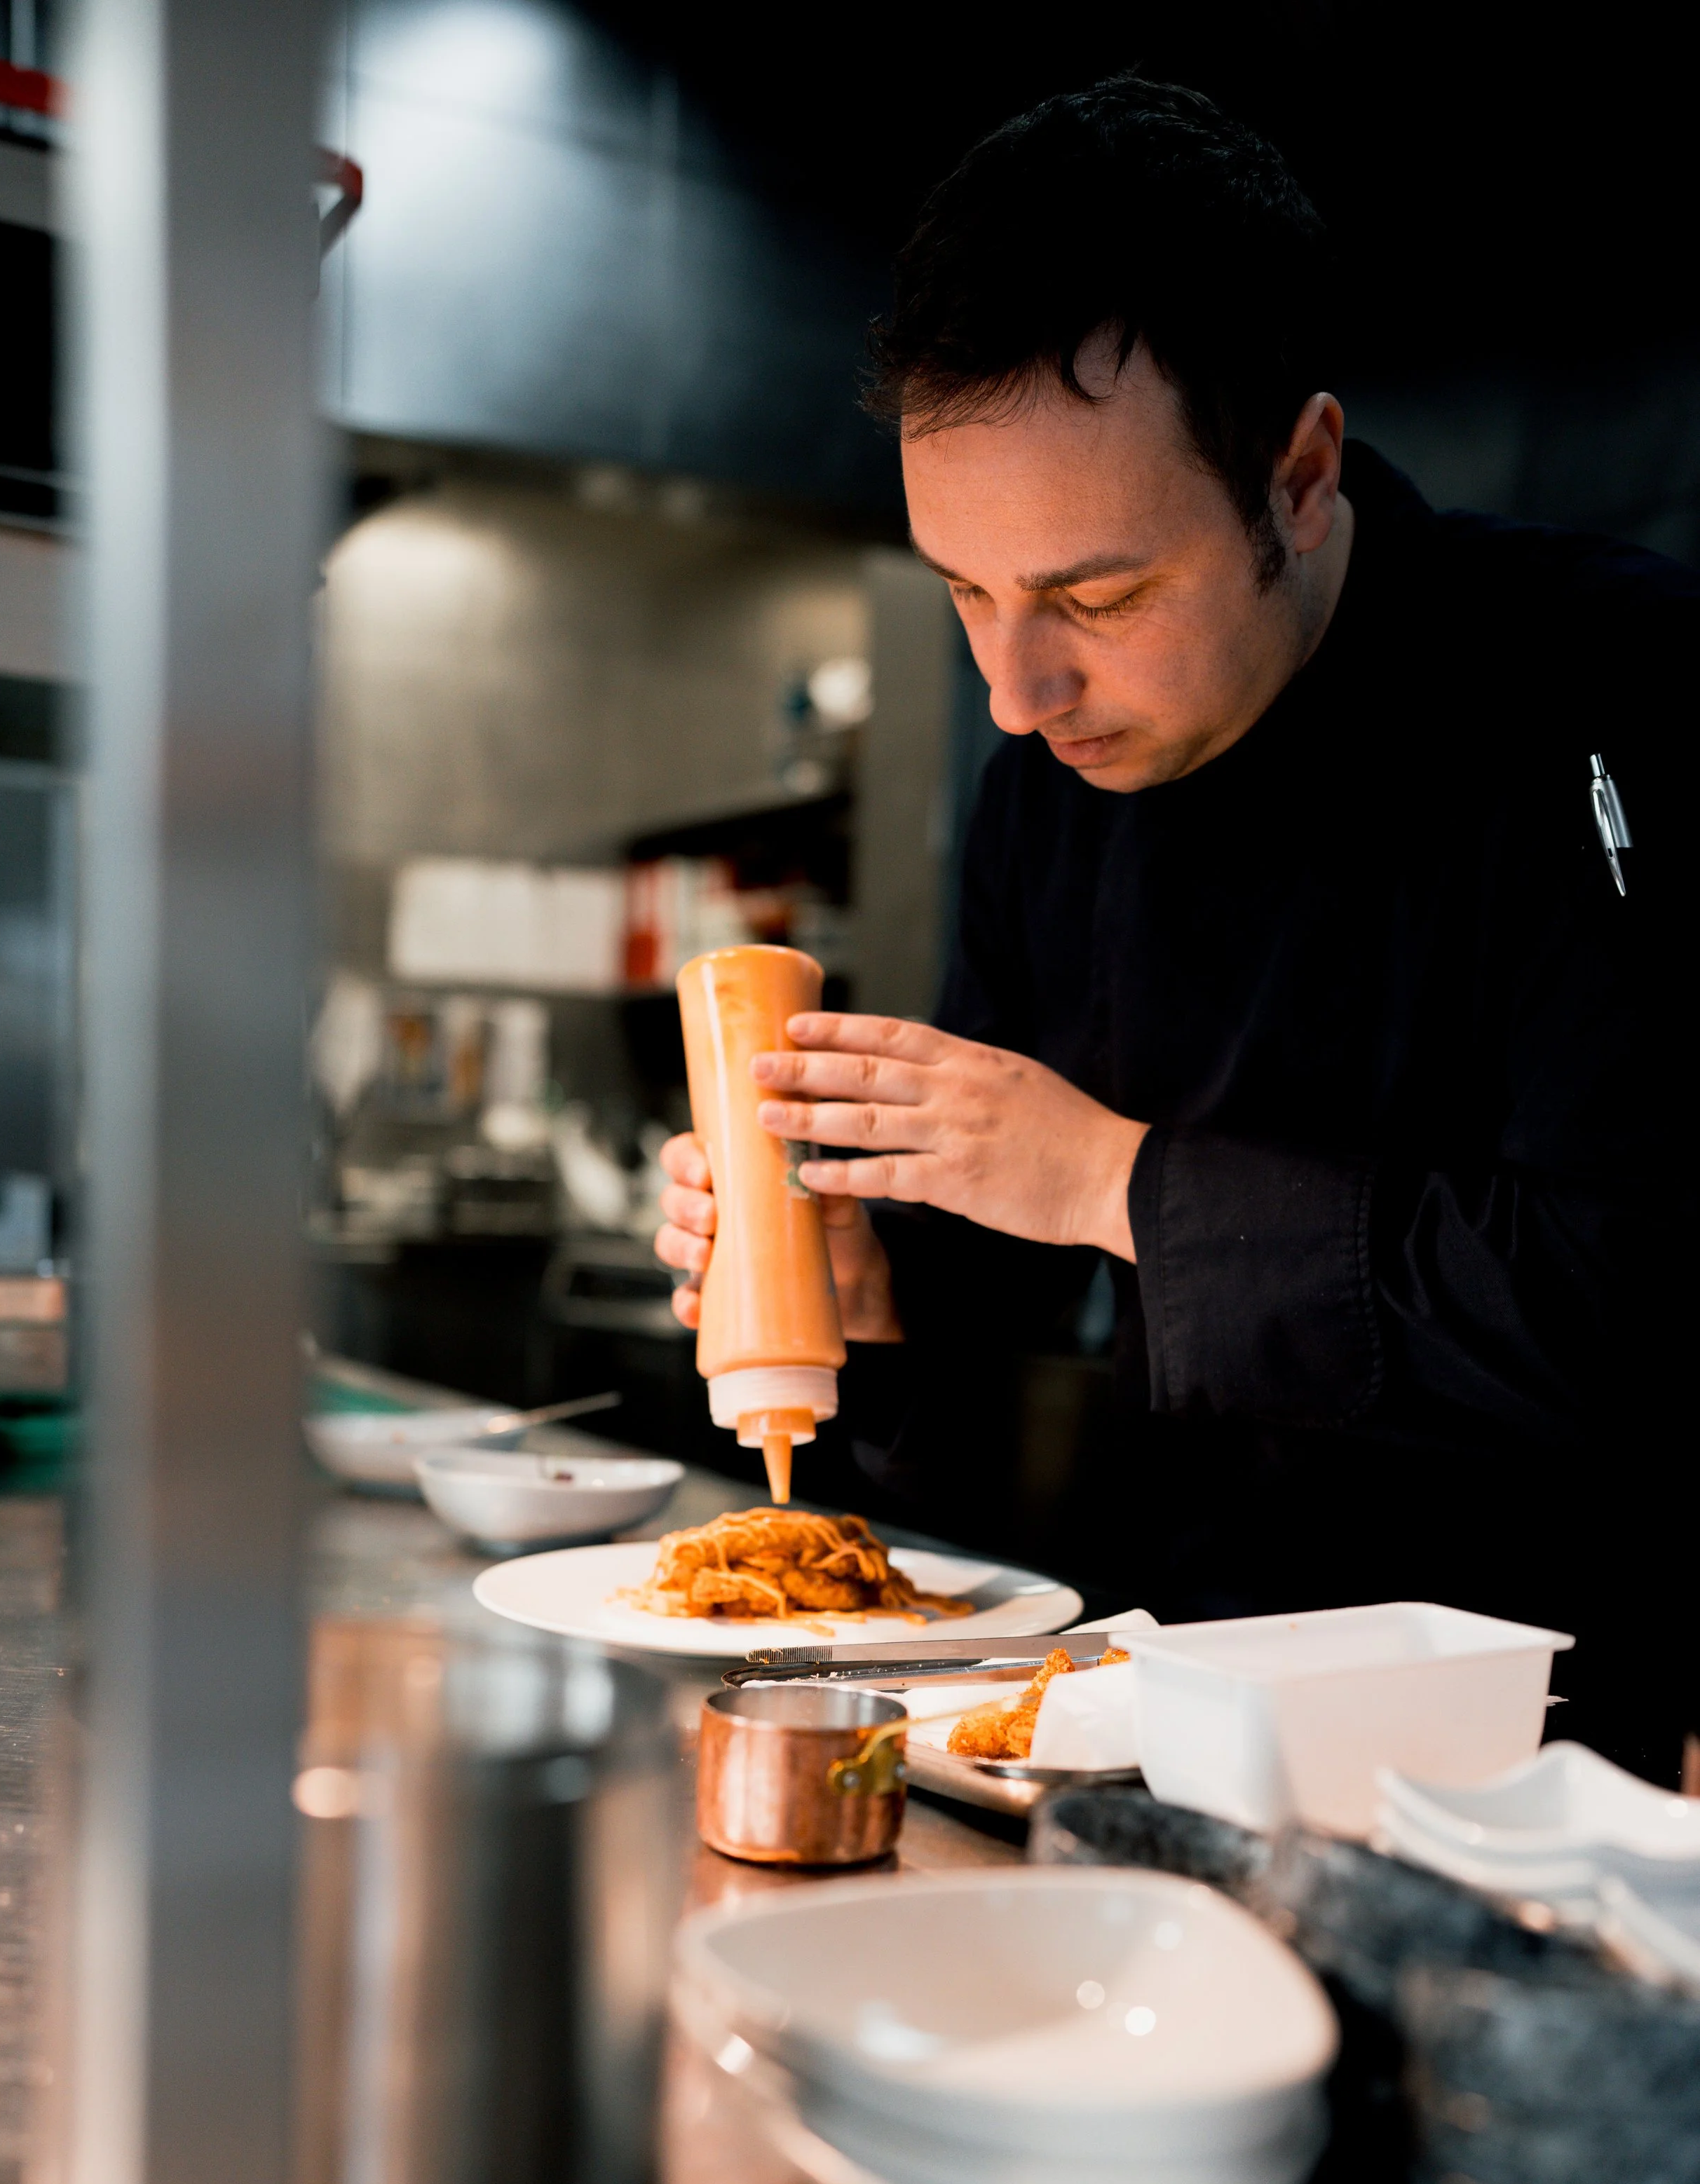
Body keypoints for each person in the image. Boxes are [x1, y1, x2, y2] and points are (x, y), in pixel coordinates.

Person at [657, 76, 1695, 1779]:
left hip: (1571, 1761)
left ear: (1296, 476)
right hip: (1170, 1716)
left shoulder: (1614, 688)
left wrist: (1112, 1183)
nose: (1013, 691)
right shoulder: (1047, 794)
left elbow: (1638, 1306)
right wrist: (868, 1284)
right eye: (965, 593)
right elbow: (988, 1365)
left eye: (1094, 596)